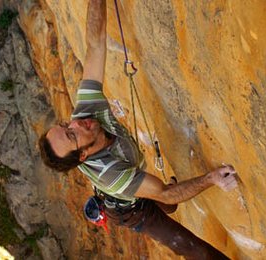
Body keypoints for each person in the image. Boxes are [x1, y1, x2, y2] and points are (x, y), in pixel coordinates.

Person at [39, 1, 237, 259]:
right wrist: (211, 179)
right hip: (129, 211)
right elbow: (164, 192)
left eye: (66, 124)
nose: (76, 122)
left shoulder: (85, 114)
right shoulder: (111, 174)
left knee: (169, 201)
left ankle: (164, 204)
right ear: (83, 156)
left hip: (132, 183)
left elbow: (95, 44)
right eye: (72, 134)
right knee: (190, 246)